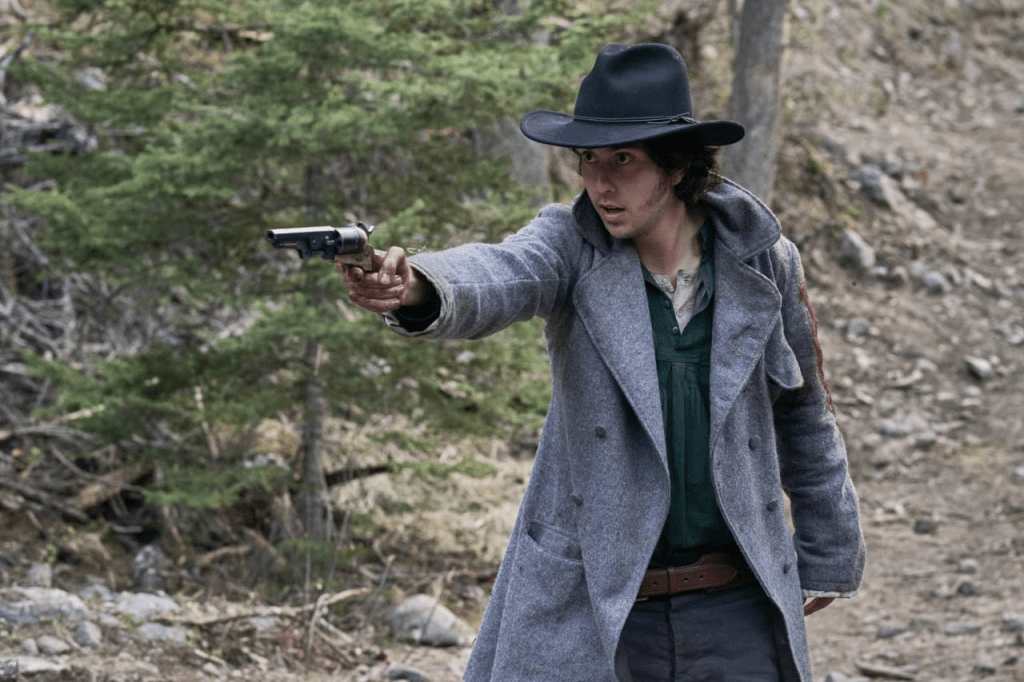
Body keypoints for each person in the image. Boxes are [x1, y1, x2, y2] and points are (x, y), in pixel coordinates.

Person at [339, 43, 865, 682]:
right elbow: (500, 273)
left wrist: (829, 549)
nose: (600, 183)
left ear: (677, 164)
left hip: (735, 602)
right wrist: (417, 286)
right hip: (591, 601)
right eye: (588, 159)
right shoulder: (570, 245)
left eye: (623, 160)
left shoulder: (763, 261)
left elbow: (805, 410)